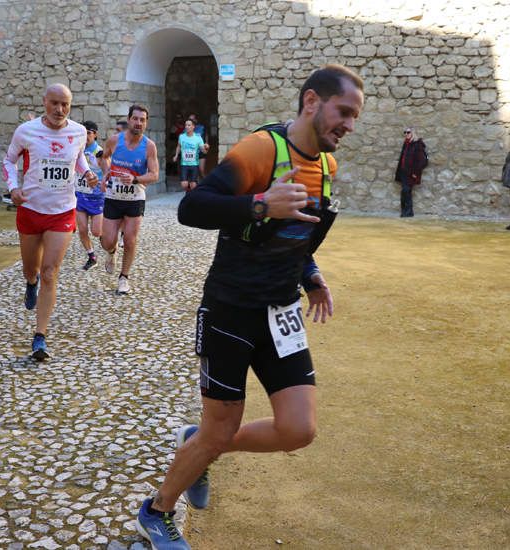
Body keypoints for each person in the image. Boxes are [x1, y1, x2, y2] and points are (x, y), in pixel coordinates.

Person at [135, 64, 364, 549]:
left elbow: (297, 237)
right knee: (222, 428)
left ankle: (199, 445)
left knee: (298, 429)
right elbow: (191, 209)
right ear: (310, 102)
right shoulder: (264, 150)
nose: (349, 124)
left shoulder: (326, 166)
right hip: (231, 311)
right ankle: (156, 512)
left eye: (354, 116)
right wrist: (259, 204)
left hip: (281, 313)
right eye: (343, 112)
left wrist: (312, 276)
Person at [2, 84, 98, 360]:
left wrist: (88, 173)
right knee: (31, 269)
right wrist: (13, 187)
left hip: (62, 210)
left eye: (65, 105)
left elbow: (78, 157)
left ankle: (40, 337)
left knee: (50, 271)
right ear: (44, 102)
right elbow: (9, 161)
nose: (59, 110)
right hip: (31, 209)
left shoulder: (79, 132)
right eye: (54, 103)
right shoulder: (26, 131)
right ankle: (29, 282)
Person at [98, 104, 160, 295]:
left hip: (135, 198)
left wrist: (135, 179)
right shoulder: (115, 140)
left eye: (142, 120)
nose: (138, 123)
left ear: (146, 123)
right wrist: (107, 172)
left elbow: (154, 174)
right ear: (129, 119)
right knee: (108, 240)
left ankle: (124, 278)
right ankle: (111, 251)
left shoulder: (149, 146)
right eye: (135, 118)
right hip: (114, 196)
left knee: (131, 240)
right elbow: (103, 157)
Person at [75, 121, 105, 270]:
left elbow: (108, 173)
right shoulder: (76, 150)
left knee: (96, 231)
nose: (86, 136)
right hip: (80, 195)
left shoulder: (99, 152)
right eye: (83, 133)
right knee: (82, 229)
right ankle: (92, 257)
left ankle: (111, 238)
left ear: (95, 134)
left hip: (96, 197)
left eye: (89, 133)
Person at [393, 127, 428, 217]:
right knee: (405, 192)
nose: (406, 134)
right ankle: (406, 212)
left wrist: (415, 173)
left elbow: (423, 161)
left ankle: (407, 212)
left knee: (406, 191)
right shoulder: (406, 144)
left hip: (411, 174)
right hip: (404, 172)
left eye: (408, 132)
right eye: (405, 132)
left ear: (413, 133)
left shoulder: (418, 144)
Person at [173, 119, 208, 192]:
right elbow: (179, 146)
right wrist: (176, 155)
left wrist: (206, 148)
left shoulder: (198, 138)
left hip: (194, 164)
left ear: (193, 127)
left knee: (193, 185)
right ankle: (189, 190)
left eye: (189, 125)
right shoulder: (181, 136)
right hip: (184, 164)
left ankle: (192, 191)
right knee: (184, 184)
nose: (187, 127)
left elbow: (203, 151)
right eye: (186, 125)